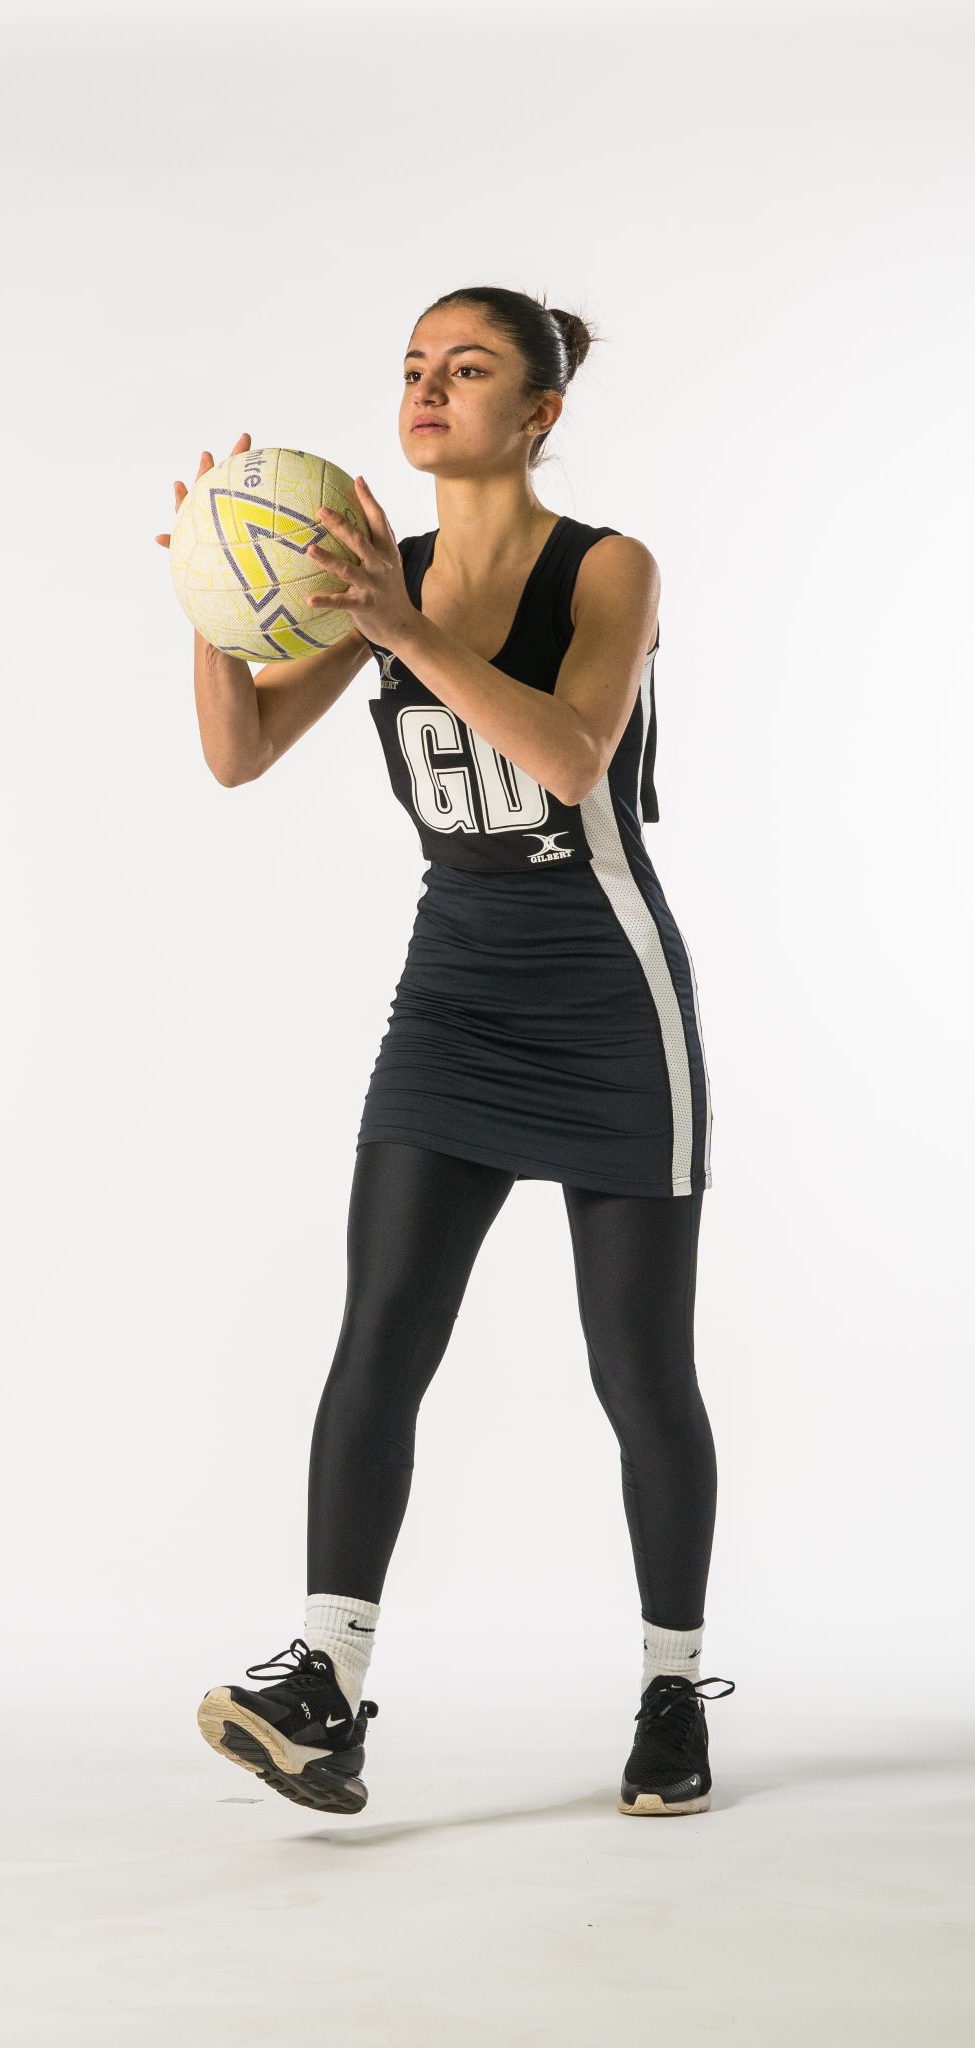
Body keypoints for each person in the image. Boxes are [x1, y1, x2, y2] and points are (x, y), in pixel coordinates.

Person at [158, 286, 735, 1819]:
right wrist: (219, 613)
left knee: (639, 1370)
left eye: (465, 369)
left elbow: (569, 755)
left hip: (614, 1001)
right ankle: (327, 1689)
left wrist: (404, 630)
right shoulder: (378, 572)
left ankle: (673, 1686)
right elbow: (240, 752)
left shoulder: (609, 567)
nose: (427, 390)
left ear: (536, 414)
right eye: (413, 367)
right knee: (381, 1334)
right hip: (455, 997)